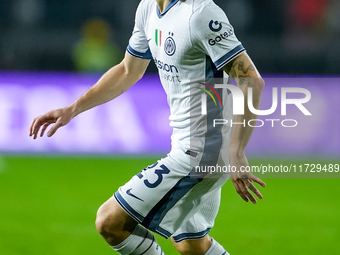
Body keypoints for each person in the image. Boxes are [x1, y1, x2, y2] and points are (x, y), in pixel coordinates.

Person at [29, 0, 266, 254]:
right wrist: (73, 109)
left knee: (110, 222)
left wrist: (237, 152)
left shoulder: (201, 13)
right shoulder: (147, 8)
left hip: (203, 151)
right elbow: (128, 70)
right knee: (191, 245)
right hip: (192, 146)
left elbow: (251, 80)